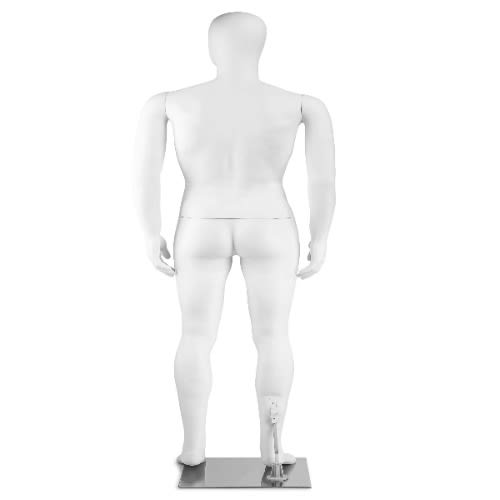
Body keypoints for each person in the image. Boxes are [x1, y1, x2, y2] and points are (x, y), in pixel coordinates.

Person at [134, 11, 335, 467]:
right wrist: (320, 236)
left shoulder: (169, 102)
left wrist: (150, 231)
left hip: (199, 222)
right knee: (273, 335)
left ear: (211, 49)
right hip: (270, 222)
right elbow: (323, 178)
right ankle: (272, 448)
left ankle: (193, 448)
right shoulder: (301, 105)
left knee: (195, 334)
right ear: (261, 47)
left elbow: (144, 173)